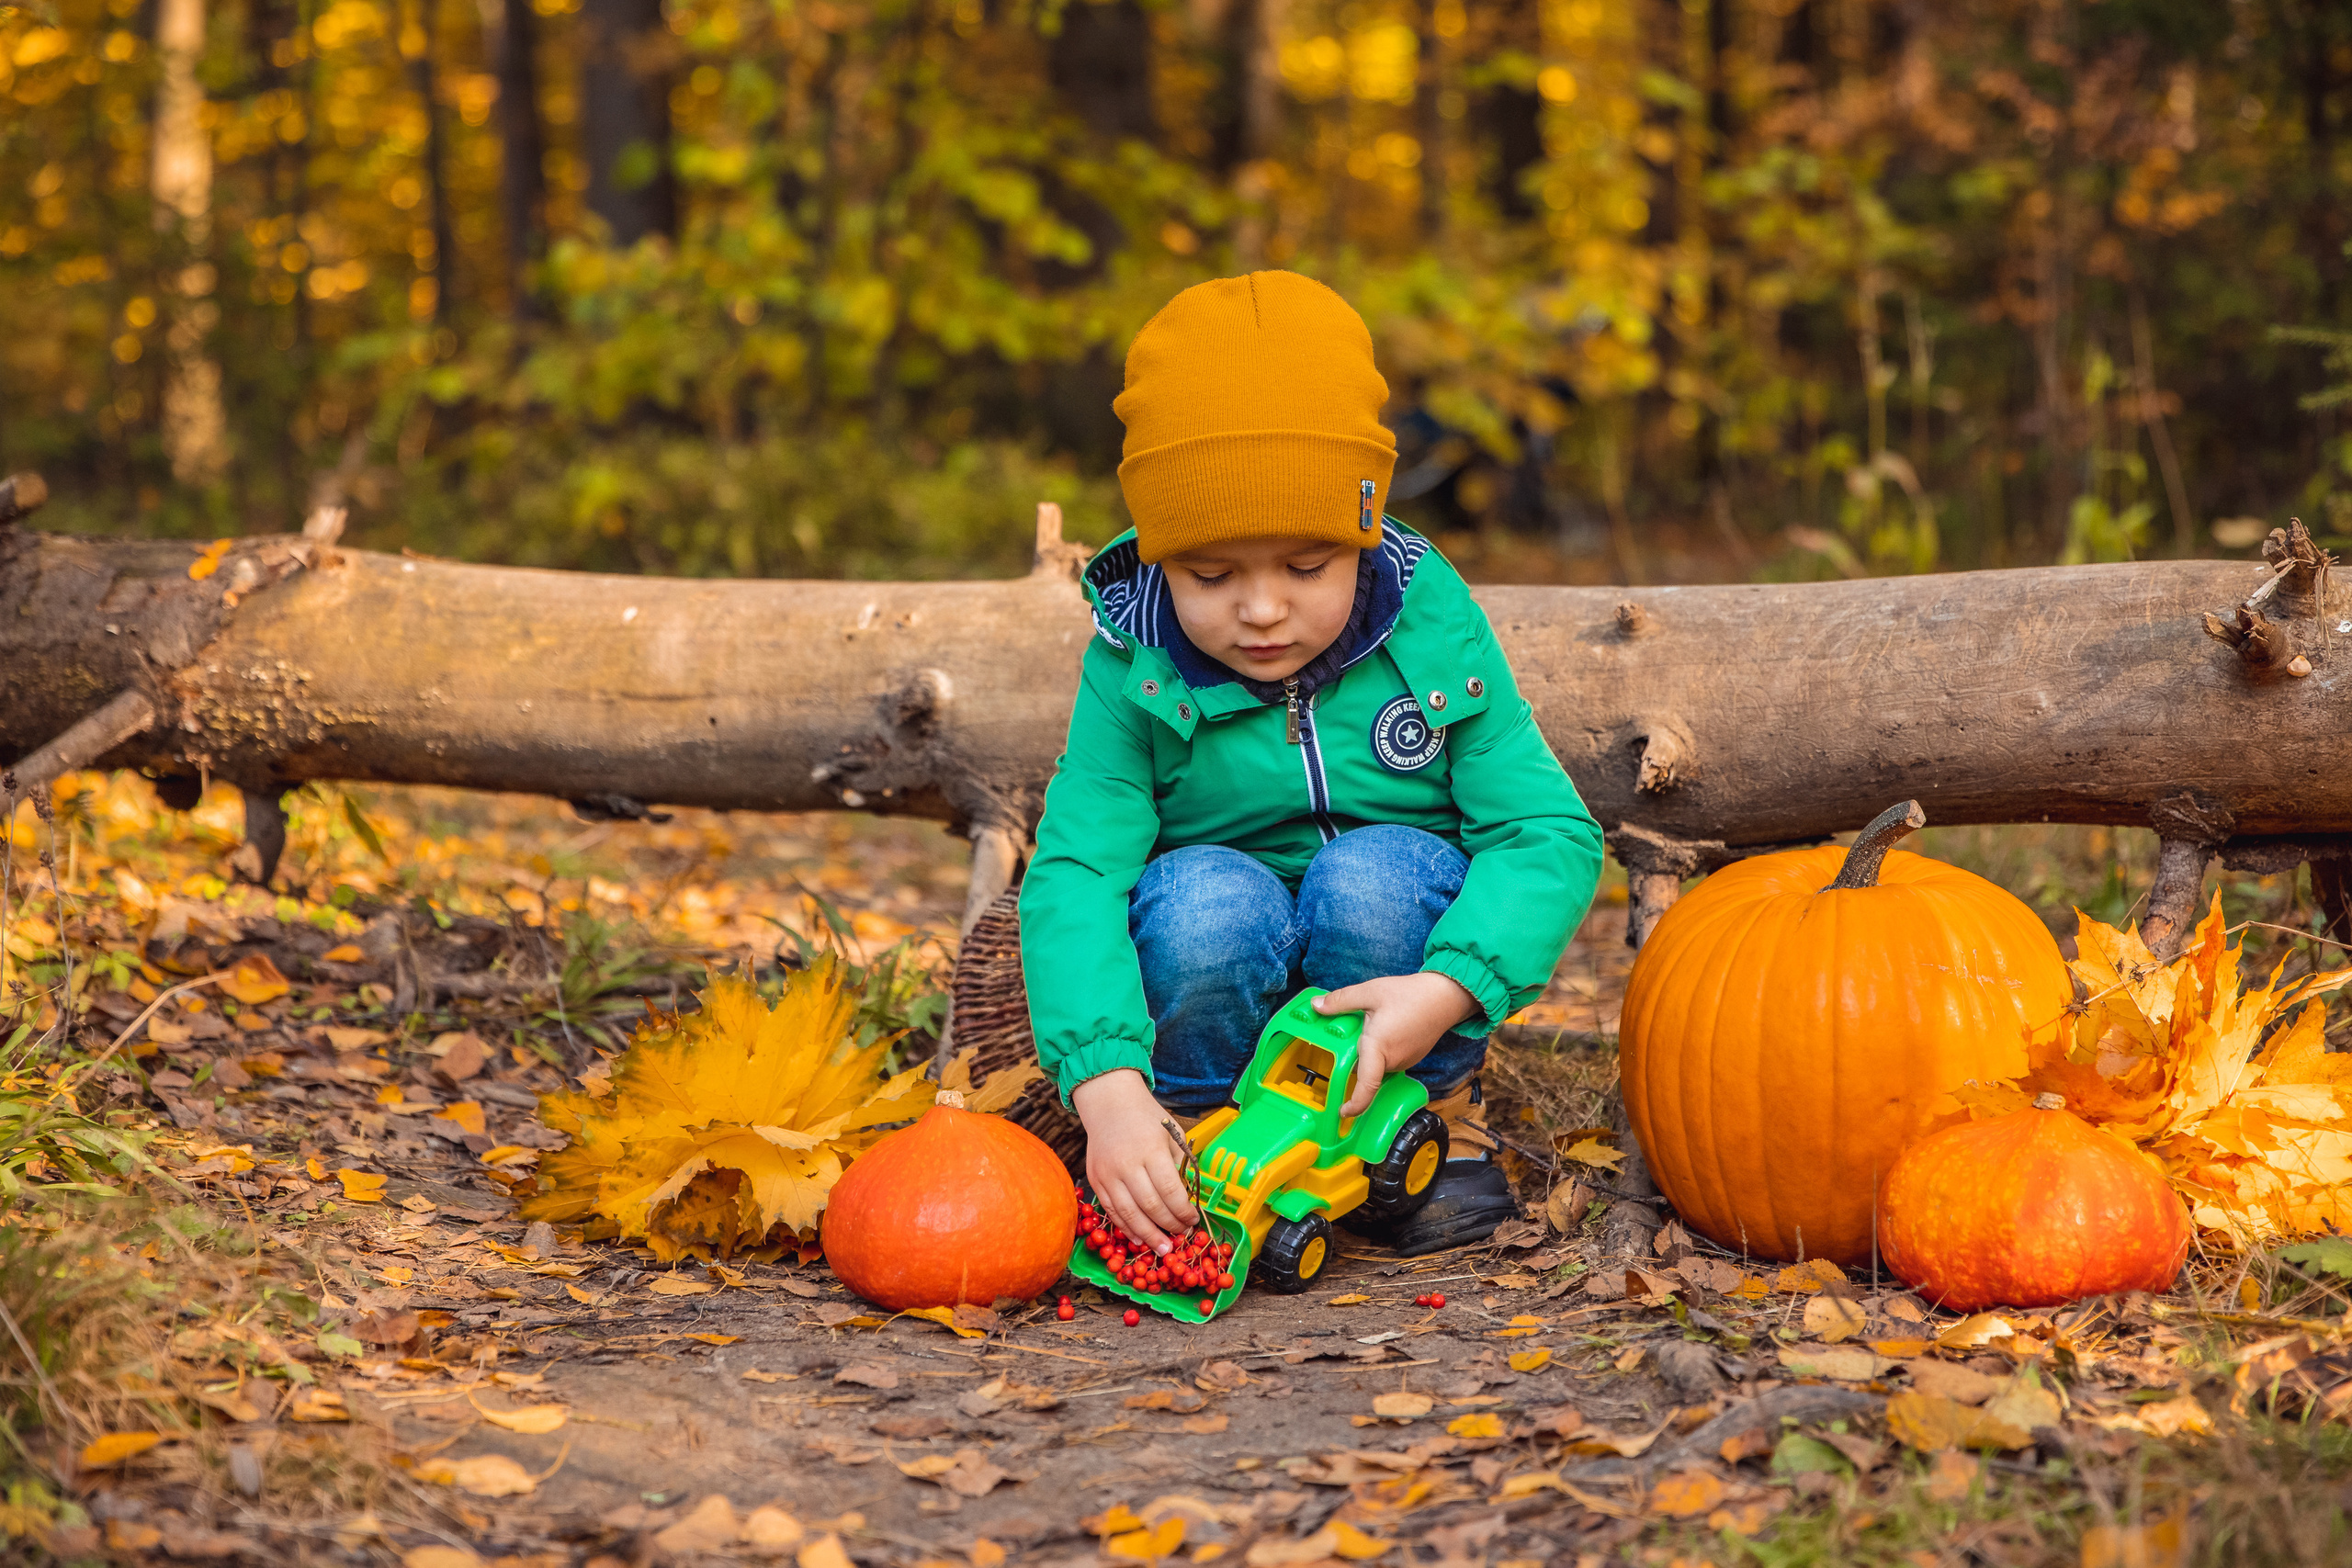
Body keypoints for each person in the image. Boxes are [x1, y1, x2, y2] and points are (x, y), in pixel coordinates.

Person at [1019, 271, 1603, 1259]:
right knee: (1204, 897)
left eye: (1304, 568)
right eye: (1211, 575)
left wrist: (1450, 989)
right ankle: (1200, 1140)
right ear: (1161, 559)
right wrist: (1105, 1083)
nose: (1259, 610)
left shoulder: (1428, 630)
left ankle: (1430, 1128)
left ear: (1362, 533)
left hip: (1397, 983)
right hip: (1221, 976)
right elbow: (1078, 874)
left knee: (1367, 878)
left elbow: (1544, 833)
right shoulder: (1135, 661)